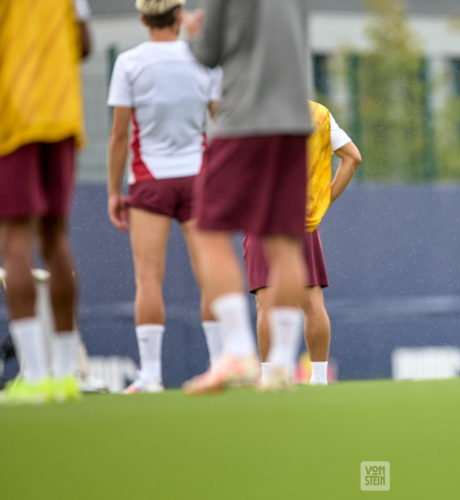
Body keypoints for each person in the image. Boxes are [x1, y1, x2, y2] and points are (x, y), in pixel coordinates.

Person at [181, 1, 313, 393]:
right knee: (284, 243)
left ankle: (238, 353)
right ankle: (281, 368)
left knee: (207, 231)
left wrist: (192, 31)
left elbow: (207, 53)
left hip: (244, 120)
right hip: (293, 122)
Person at [106, 0, 224, 393]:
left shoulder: (129, 62)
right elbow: (221, 119)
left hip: (149, 180)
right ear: (179, 15)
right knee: (210, 274)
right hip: (199, 177)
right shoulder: (202, 58)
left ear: (142, 19)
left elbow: (119, 135)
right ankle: (221, 365)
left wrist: (113, 191)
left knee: (148, 278)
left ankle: (151, 376)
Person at [0, 0, 88, 403]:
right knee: (56, 237)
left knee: (15, 238)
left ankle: (35, 376)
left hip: (14, 116)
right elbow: (84, 42)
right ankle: (65, 375)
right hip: (62, 114)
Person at [244, 101, 361, 386]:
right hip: (301, 217)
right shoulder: (317, 112)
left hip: (263, 216)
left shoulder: (250, 110)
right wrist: (323, 201)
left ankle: (271, 377)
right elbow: (353, 158)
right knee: (311, 301)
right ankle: (318, 379)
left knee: (267, 301)